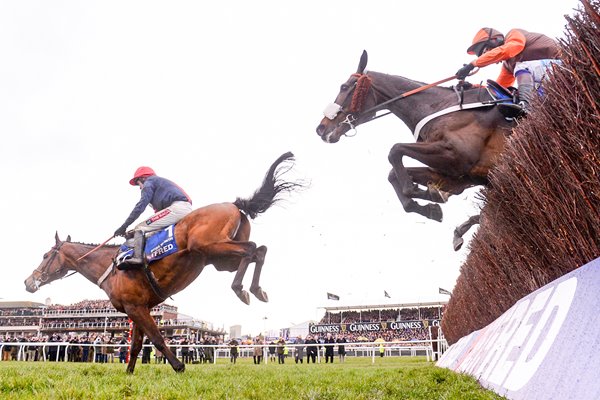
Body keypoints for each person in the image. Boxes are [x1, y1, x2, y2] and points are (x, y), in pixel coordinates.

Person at [455, 27, 561, 114]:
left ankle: (525, 106)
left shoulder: (514, 35)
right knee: (515, 94)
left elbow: (511, 49)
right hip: (552, 81)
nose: (487, 56)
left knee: (522, 67)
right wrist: (473, 87)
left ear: (494, 40)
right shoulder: (508, 66)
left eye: (485, 52)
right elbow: (499, 88)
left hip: (564, 65)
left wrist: (473, 64)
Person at [113, 166, 192, 268]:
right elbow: (157, 217)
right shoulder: (159, 186)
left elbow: (140, 207)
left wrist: (124, 226)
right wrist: (134, 234)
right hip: (180, 208)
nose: (140, 188)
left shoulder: (148, 183)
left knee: (140, 228)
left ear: (142, 178)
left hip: (178, 208)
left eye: (138, 184)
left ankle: (137, 258)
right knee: (145, 232)